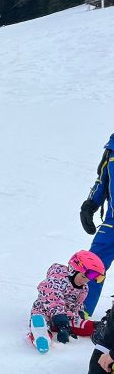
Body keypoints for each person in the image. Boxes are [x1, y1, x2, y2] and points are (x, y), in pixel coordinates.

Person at [28, 250, 105, 353]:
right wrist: (61, 323)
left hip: (66, 316)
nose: (84, 281)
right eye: (83, 277)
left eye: (88, 280)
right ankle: (41, 335)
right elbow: (53, 300)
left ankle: (98, 328)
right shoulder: (56, 279)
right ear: (73, 270)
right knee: (42, 321)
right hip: (44, 310)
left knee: (78, 323)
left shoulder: (84, 288)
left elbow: (77, 303)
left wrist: (79, 313)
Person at [80, 133, 114, 319]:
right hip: (112, 223)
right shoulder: (112, 149)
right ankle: (81, 314)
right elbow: (102, 180)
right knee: (93, 267)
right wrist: (90, 205)